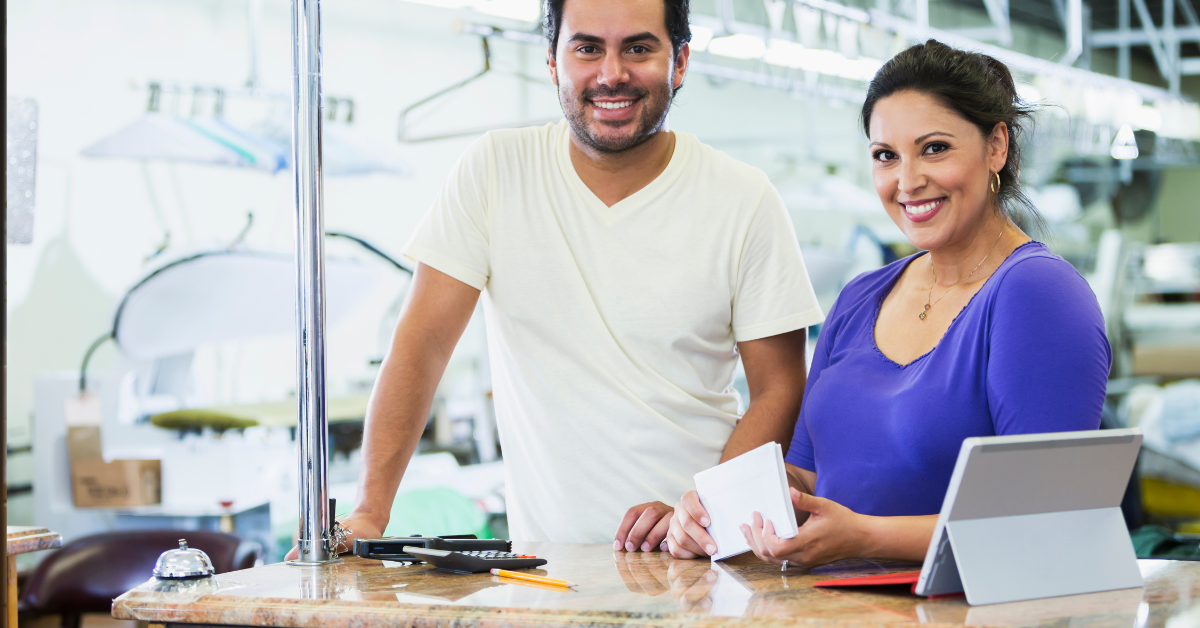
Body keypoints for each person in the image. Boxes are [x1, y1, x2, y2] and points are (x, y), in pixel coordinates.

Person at [287, 0, 823, 558]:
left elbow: (780, 387)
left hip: (702, 560)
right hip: (548, 571)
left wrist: (706, 509)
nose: (611, 73)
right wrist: (371, 510)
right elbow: (422, 346)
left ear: (680, 62)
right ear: (552, 61)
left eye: (638, 48)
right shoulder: (495, 171)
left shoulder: (743, 197)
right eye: (587, 47)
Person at [666, 39, 1111, 568]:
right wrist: (718, 507)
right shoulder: (860, 297)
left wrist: (866, 537)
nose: (907, 181)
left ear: (997, 147)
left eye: (935, 148)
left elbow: (1046, 522)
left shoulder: (1037, 295)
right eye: (886, 156)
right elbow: (807, 474)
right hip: (832, 611)